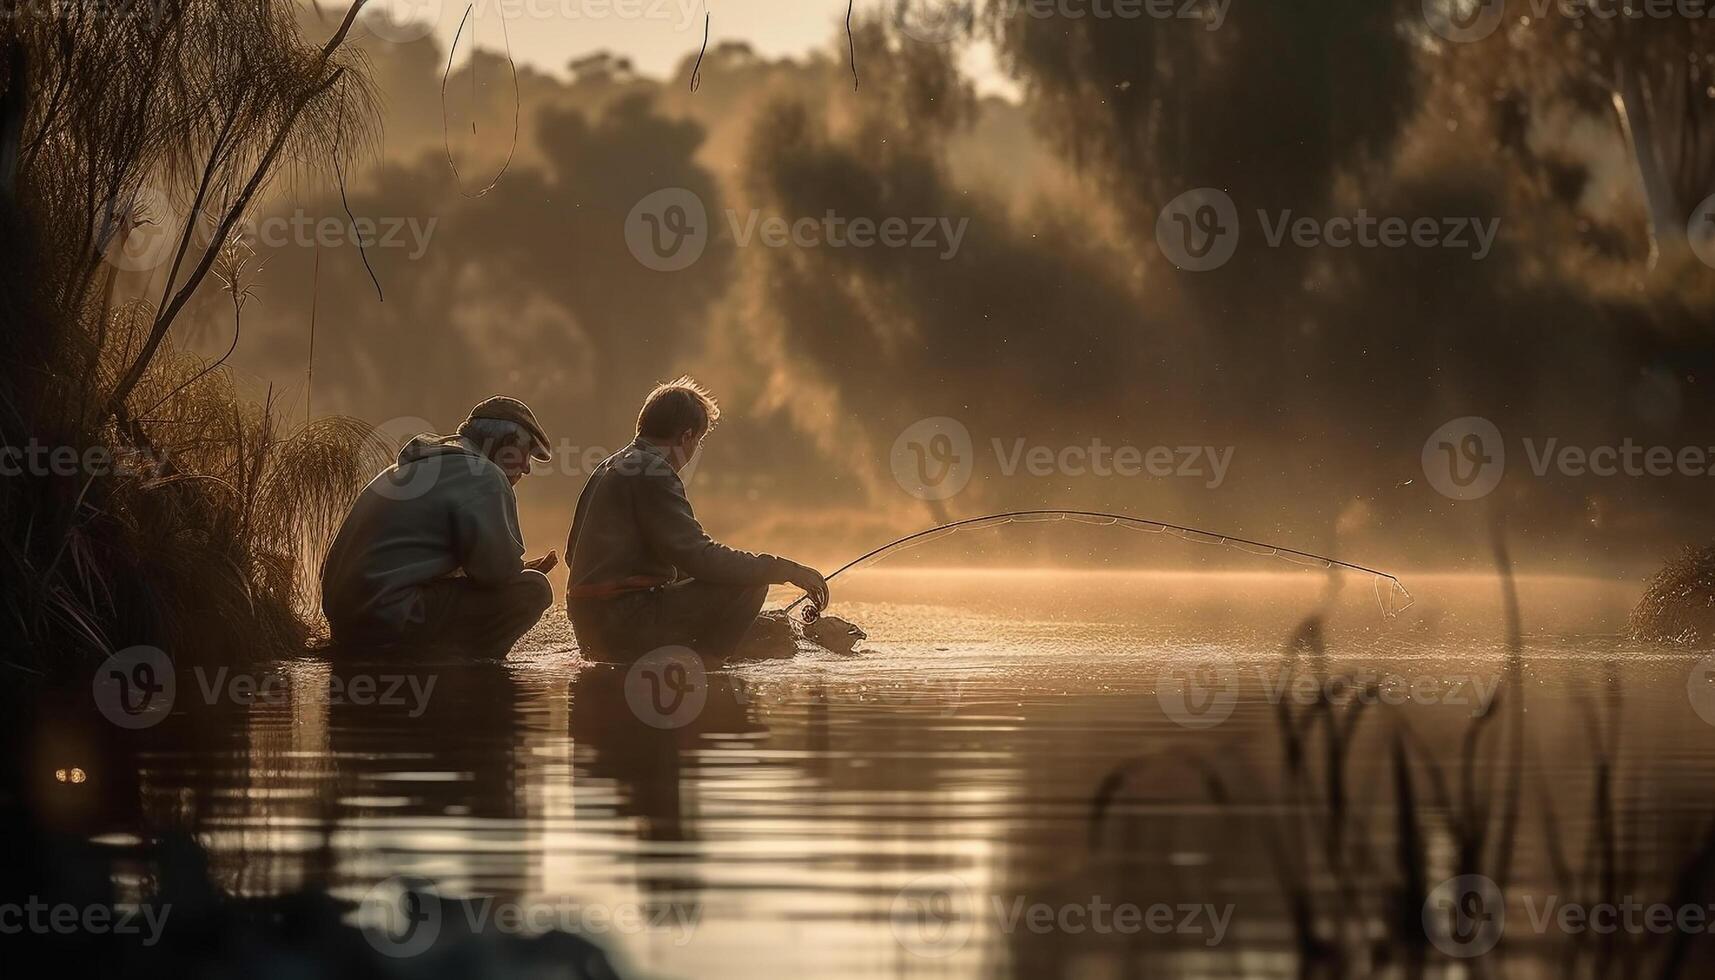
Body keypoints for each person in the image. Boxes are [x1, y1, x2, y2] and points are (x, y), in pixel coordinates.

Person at [565, 377, 829, 660]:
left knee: (735, 578)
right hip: (624, 623)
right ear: (686, 436)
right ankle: (706, 666)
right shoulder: (654, 471)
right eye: (698, 441)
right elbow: (699, 557)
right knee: (749, 585)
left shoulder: (610, 465)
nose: (694, 452)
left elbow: (572, 556)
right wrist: (785, 570)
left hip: (590, 625)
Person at [321, 396, 558, 658]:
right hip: (387, 620)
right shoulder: (484, 475)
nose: (526, 468)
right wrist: (518, 571)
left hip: (346, 623)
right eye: (526, 454)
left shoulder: (420, 464)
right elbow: (496, 575)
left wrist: (511, 570)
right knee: (533, 589)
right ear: (506, 445)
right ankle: (468, 670)